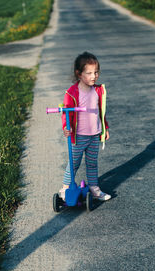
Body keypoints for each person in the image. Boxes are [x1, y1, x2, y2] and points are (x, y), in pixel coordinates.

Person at [60, 51, 111, 201]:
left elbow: (101, 112)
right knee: (74, 163)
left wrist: (105, 128)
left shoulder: (97, 90)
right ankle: (65, 188)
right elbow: (66, 113)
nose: (94, 76)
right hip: (79, 136)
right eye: (89, 73)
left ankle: (94, 188)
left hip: (94, 134)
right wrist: (66, 127)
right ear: (79, 74)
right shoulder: (72, 93)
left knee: (92, 163)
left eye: (96, 72)